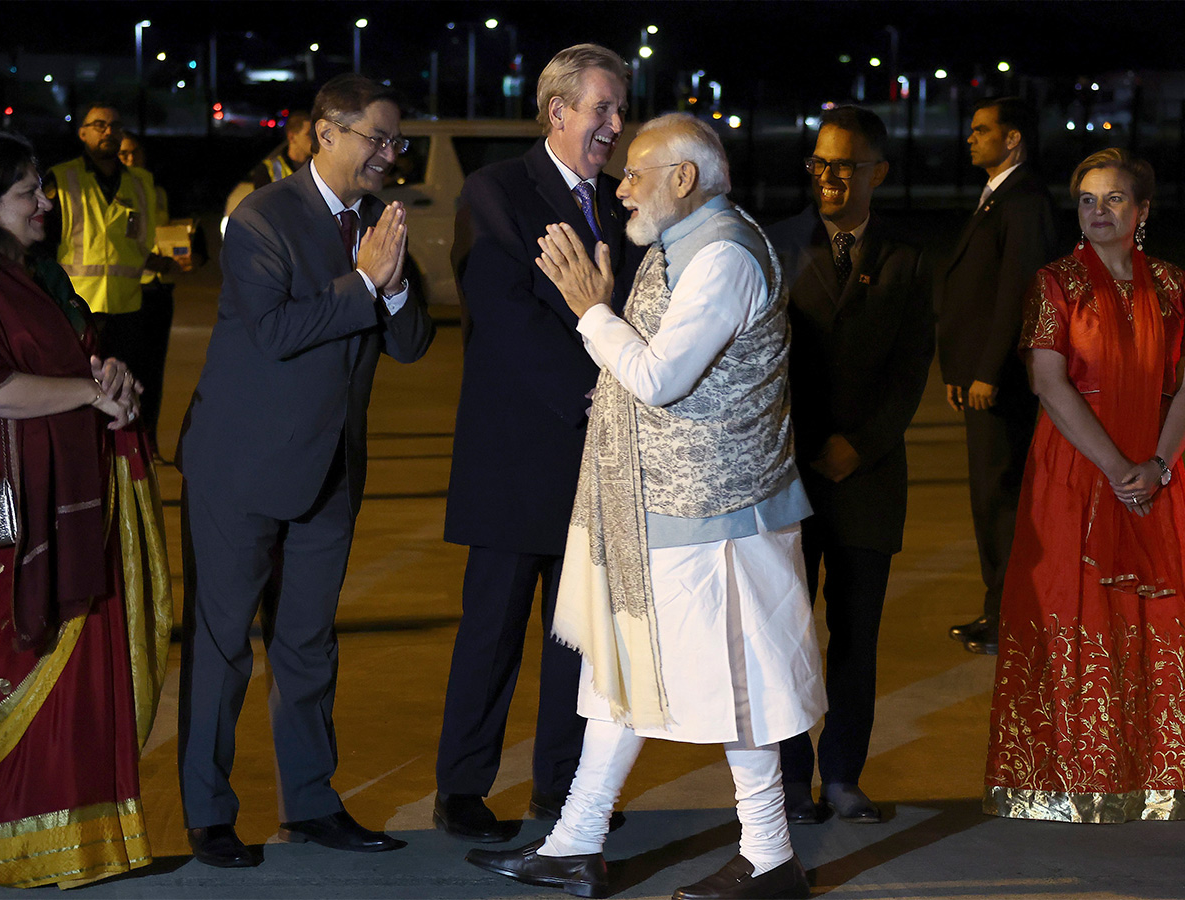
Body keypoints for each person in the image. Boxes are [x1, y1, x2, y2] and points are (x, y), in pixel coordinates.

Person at [467, 113, 824, 900]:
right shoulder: (680, 246)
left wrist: (591, 309)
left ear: (685, 178)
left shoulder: (724, 257)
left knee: (742, 687)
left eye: (636, 172)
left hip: (717, 519)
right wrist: (598, 308)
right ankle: (576, 842)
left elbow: (660, 378)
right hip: (663, 511)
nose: (620, 186)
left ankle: (768, 855)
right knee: (621, 670)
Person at [176, 74, 432, 868]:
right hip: (240, 467)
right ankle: (208, 813)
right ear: (326, 133)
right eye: (378, 139)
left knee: (309, 647)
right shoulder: (260, 219)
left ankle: (313, 804)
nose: (391, 155)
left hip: (330, 470)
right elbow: (281, 331)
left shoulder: (381, 226)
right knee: (222, 649)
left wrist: (387, 288)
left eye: (398, 142)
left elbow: (414, 341)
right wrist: (364, 282)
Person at [437, 43, 639, 842]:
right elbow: (501, 312)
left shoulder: (622, 203)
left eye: (620, 109)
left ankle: (561, 787)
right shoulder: (498, 192)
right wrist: (596, 390)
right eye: (602, 109)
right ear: (557, 111)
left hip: (595, 463)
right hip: (516, 456)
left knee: (578, 640)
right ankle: (460, 789)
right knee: (491, 633)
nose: (615, 125)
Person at [0, 131, 170, 887]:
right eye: (27, 191)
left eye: (41, 187)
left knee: (84, 669)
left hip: (75, 498)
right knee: (22, 658)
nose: (45, 201)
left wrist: (109, 375)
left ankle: (84, 842)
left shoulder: (38, 273)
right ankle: (16, 841)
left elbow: (74, 352)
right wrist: (88, 395)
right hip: (16, 516)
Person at [985, 149, 1185, 823]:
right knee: (1076, 611)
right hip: (1076, 467)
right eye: (1088, 200)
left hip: (1161, 466)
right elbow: (1048, 383)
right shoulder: (1057, 283)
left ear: (1143, 211)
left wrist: (1156, 464)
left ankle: (1158, 779)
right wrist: (1116, 468)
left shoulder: (1174, 286)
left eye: (1115, 199)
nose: (1099, 211)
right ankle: (1071, 780)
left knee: (1158, 618)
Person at [767, 106, 933, 824]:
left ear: (878, 173)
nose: (829, 177)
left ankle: (843, 777)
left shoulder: (909, 256)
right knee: (786, 637)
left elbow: (912, 367)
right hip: (788, 476)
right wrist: (800, 445)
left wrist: (859, 443)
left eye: (845, 165)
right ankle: (789, 782)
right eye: (819, 163)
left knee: (855, 642)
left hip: (867, 479)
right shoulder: (775, 246)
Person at [938, 97, 1058, 655]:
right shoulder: (998, 198)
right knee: (989, 499)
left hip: (1002, 382)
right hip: (982, 379)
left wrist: (987, 371)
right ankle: (999, 611)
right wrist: (962, 370)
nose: (971, 138)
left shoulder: (1024, 200)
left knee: (1002, 499)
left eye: (982, 130)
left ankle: (1013, 619)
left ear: (1012, 139)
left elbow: (1017, 292)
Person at [43, 105, 177, 388]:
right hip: (78, 306)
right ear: (82, 133)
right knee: (83, 389)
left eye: (115, 126)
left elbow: (139, 242)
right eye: (99, 124)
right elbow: (44, 245)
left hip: (128, 310)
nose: (108, 131)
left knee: (126, 392)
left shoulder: (142, 183)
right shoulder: (62, 179)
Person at [117, 132, 198, 457]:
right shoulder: (117, 194)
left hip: (158, 289)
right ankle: (128, 443)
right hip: (126, 293)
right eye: (123, 154)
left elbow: (169, 231)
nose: (130, 159)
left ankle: (147, 442)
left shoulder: (156, 191)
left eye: (134, 152)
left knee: (153, 373)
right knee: (128, 372)